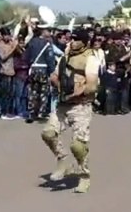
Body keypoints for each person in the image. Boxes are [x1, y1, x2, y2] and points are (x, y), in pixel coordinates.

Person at [41, 29, 99, 193]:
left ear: (84, 42)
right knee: (48, 133)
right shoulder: (65, 57)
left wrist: (79, 90)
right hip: (63, 104)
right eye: (70, 38)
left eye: (76, 39)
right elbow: (54, 75)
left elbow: (92, 85)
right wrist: (56, 82)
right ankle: (62, 160)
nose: (71, 41)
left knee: (78, 146)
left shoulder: (90, 58)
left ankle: (84, 176)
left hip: (81, 106)